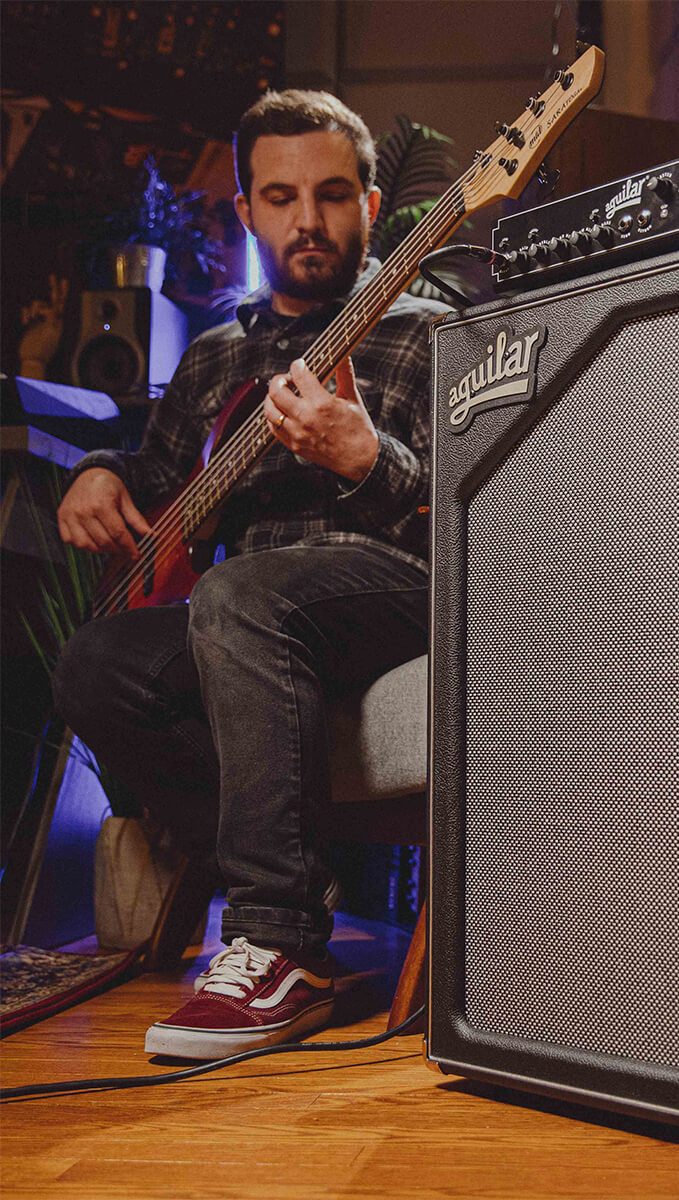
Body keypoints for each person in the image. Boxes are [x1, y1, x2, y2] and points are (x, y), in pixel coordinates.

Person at [52, 89, 450, 1060]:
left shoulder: (433, 327)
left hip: (395, 584)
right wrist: (102, 474)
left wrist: (369, 458)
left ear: (366, 200)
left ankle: (281, 944)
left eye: (331, 194)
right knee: (97, 663)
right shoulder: (214, 356)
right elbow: (157, 482)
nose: (307, 221)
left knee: (235, 594)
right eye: (279, 197)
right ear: (246, 211)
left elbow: (486, 507)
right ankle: (267, 858)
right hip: (246, 625)